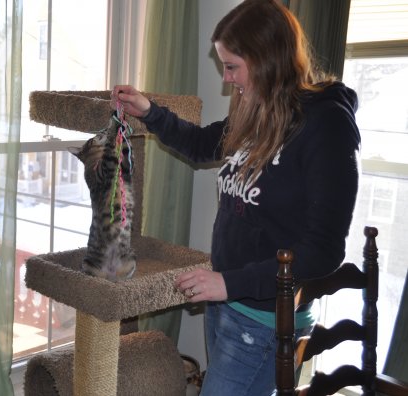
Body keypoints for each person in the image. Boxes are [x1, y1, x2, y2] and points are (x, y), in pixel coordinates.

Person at [111, 0, 360, 395]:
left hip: (264, 320)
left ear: (267, 61)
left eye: (232, 66)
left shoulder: (326, 125)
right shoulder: (259, 113)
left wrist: (229, 283)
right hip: (228, 307)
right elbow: (199, 143)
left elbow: (324, 251)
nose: (227, 80)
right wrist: (149, 111)